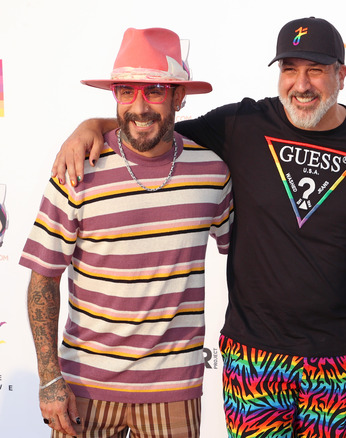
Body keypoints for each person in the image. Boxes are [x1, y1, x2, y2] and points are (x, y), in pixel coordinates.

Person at [51, 17, 346, 438]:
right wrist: (90, 126)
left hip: (341, 355)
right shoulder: (241, 124)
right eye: (289, 69)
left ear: (341, 74)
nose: (301, 84)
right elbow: (153, 129)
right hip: (254, 354)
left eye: (316, 70)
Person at [21, 27, 233, 437]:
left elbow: (247, 251)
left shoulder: (212, 171)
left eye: (154, 91)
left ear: (179, 96)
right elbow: (42, 281)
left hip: (174, 390)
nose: (139, 107)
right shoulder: (76, 169)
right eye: (125, 91)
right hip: (83, 386)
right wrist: (49, 379)